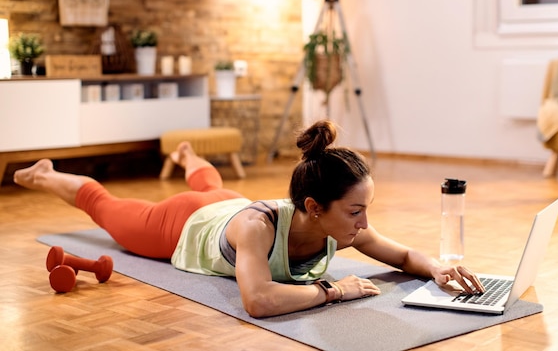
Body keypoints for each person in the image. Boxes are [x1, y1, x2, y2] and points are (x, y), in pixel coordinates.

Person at [14, 120, 484, 318]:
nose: (364, 224)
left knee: (212, 185)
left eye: (366, 210)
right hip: (181, 224)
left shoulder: (338, 227)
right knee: (107, 207)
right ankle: (47, 174)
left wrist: (437, 268)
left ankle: (189, 155)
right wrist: (334, 290)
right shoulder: (258, 229)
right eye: (357, 210)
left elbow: (401, 254)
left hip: (227, 200)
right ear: (314, 207)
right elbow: (257, 299)